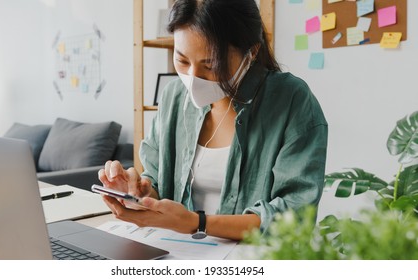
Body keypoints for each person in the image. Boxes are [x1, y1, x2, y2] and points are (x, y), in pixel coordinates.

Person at [98, 0, 328, 241]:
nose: (193, 77)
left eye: (211, 65)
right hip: (175, 251)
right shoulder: (174, 96)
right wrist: (138, 191)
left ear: (252, 52)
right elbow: (156, 177)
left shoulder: (291, 100)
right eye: (182, 60)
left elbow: (295, 214)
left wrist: (197, 223)